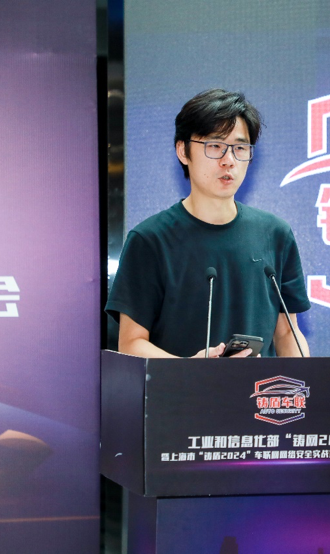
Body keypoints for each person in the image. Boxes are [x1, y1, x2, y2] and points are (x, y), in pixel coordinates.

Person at [106, 89, 310, 359]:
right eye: (215, 146)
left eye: (240, 148)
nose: (229, 161)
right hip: (180, 387)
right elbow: (131, 343)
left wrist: (306, 382)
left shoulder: (275, 234)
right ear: (183, 151)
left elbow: (287, 334)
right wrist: (192, 371)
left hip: (260, 388)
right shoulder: (150, 240)